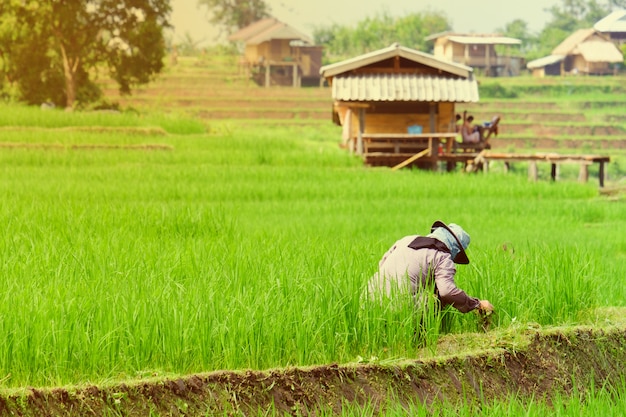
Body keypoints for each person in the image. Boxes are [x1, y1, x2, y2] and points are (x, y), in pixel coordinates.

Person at [366, 220, 494, 315]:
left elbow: (382, 264)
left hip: (369, 299)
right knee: (438, 299)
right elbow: (447, 292)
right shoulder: (442, 256)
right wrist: (476, 304)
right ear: (456, 249)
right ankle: (424, 340)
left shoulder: (407, 240)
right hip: (397, 308)